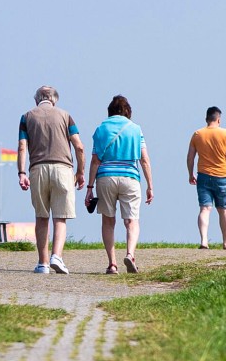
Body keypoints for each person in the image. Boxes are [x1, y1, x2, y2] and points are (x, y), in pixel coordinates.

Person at [16, 85, 85, 274]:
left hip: (37, 168)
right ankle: (57, 256)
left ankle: (43, 263)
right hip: (63, 169)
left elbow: (23, 146)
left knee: (41, 217)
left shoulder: (26, 117)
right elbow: (79, 146)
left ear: (37, 100)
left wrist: (21, 172)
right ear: (55, 99)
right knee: (60, 218)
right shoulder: (66, 115)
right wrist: (80, 172)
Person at [85, 95, 153, 274]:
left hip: (105, 177)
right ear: (128, 111)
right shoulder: (136, 129)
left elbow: (94, 160)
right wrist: (150, 185)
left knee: (108, 221)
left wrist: (89, 188)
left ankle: (112, 264)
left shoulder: (101, 129)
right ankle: (130, 255)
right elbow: (144, 160)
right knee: (131, 220)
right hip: (130, 176)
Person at [186, 106, 226, 249]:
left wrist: (190, 174)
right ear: (218, 119)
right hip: (222, 176)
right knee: (223, 209)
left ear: (206, 119)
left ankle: (204, 241)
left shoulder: (197, 134)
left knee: (204, 209)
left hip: (203, 176)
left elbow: (190, 157)